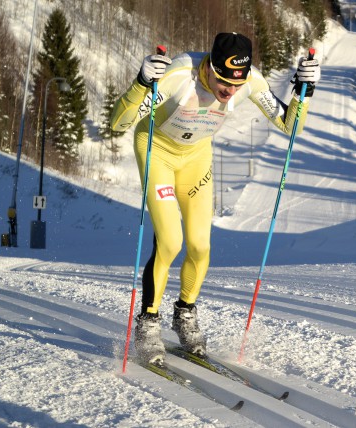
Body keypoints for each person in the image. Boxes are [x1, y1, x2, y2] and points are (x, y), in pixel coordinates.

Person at [111, 32, 321, 365]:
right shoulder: (179, 75)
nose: (229, 92)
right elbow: (118, 122)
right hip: (158, 152)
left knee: (200, 246)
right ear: (209, 65)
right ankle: (149, 322)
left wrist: (304, 91)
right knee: (170, 242)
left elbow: (288, 126)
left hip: (196, 159)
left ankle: (185, 314)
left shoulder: (250, 81)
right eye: (223, 82)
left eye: (236, 86)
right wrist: (141, 82)